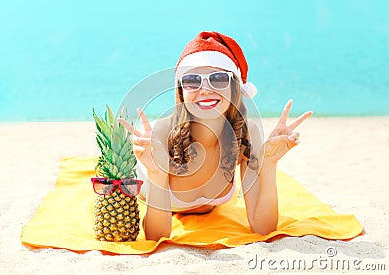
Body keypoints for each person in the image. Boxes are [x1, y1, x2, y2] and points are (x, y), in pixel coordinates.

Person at [118, 31, 312, 241]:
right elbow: (157, 237)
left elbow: (263, 227)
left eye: (218, 79)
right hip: (151, 159)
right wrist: (156, 173)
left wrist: (269, 163)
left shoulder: (247, 133)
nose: (205, 90)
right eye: (192, 80)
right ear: (181, 90)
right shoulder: (161, 136)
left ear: (234, 86)